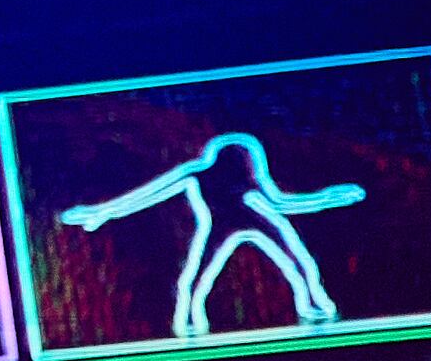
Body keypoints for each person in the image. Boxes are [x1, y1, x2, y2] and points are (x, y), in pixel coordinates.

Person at [52, 131, 363, 336]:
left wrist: (332, 197)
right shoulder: (203, 173)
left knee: (298, 264)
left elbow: (284, 202)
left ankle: (313, 305)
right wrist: (101, 212)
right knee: (199, 277)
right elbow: (145, 196)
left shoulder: (240, 178)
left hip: (255, 217)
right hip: (232, 221)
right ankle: (188, 319)